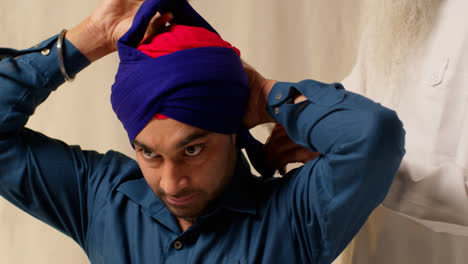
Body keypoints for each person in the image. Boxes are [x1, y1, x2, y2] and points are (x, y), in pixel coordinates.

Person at [0, 0, 405, 263]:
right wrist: (91, 37)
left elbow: (373, 135)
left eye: (192, 150)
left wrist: (267, 97)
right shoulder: (101, 198)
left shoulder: (295, 217)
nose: (171, 182)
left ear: (232, 128)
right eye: (149, 155)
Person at [339, 0, 468, 263]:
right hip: (371, 250)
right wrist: (289, 106)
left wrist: (367, 169)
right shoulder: (396, 7)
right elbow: (354, 98)